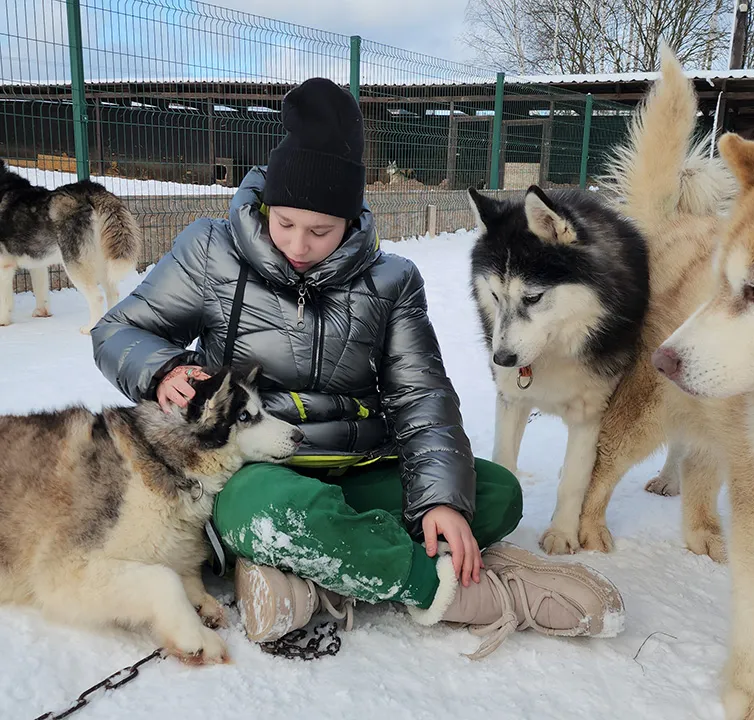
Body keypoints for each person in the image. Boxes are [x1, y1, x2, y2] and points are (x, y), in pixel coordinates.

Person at [91, 77, 624, 658]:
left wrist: (441, 500)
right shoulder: (210, 250)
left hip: (360, 464)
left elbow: (421, 397)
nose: (298, 244)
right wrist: (162, 367)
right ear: (265, 205)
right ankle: (453, 590)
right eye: (284, 223)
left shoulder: (390, 280)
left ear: (349, 220)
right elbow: (118, 331)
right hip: (252, 470)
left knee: (494, 495)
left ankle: (301, 571)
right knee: (273, 509)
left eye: (320, 230)